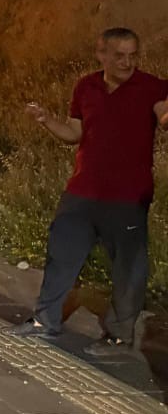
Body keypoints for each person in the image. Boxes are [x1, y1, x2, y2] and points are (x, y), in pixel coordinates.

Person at [14, 28, 168, 351]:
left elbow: (163, 114)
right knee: (61, 253)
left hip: (128, 196)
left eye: (133, 55)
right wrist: (46, 119)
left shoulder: (152, 87)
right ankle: (45, 320)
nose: (128, 62)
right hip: (82, 191)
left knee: (129, 267)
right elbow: (74, 133)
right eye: (119, 56)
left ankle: (119, 335)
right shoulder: (86, 86)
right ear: (102, 55)